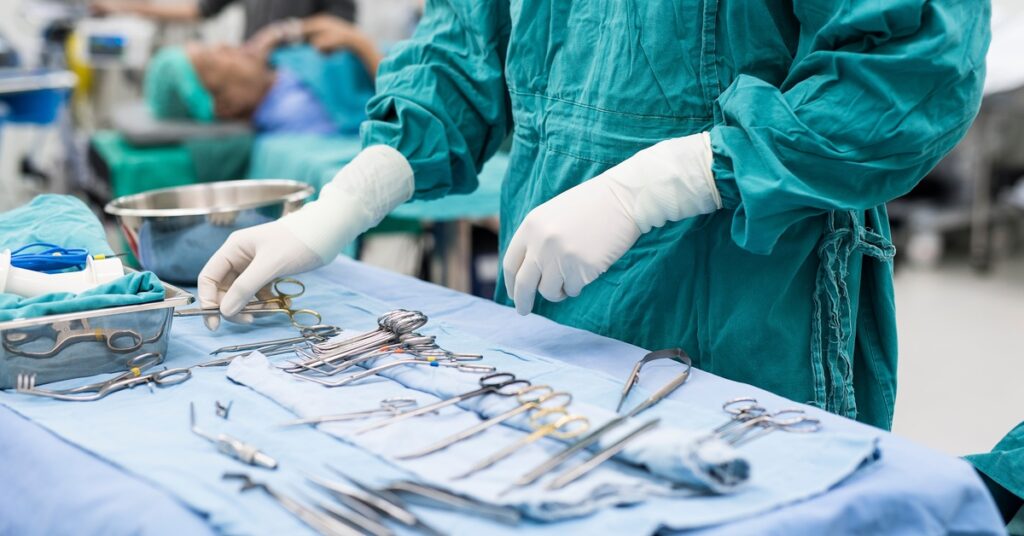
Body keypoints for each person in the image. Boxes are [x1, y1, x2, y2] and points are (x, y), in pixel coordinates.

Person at [198, 1, 990, 429]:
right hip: (547, 322)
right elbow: (459, 53)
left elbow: (905, 71)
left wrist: (664, 179)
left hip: (747, 323)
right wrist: (341, 205)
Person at [142, 16, 378, 134]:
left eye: (212, 46)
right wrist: (360, 43)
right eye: (212, 61)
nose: (224, 46)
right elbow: (404, 107)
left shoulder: (275, 69)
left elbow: (326, 23)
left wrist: (281, 32)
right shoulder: (295, 110)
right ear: (226, 106)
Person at [91, 0, 356, 40]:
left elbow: (341, 29)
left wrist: (283, 32)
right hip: (254, 74)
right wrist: (123, 6)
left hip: (299, 79)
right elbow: (197, 9)